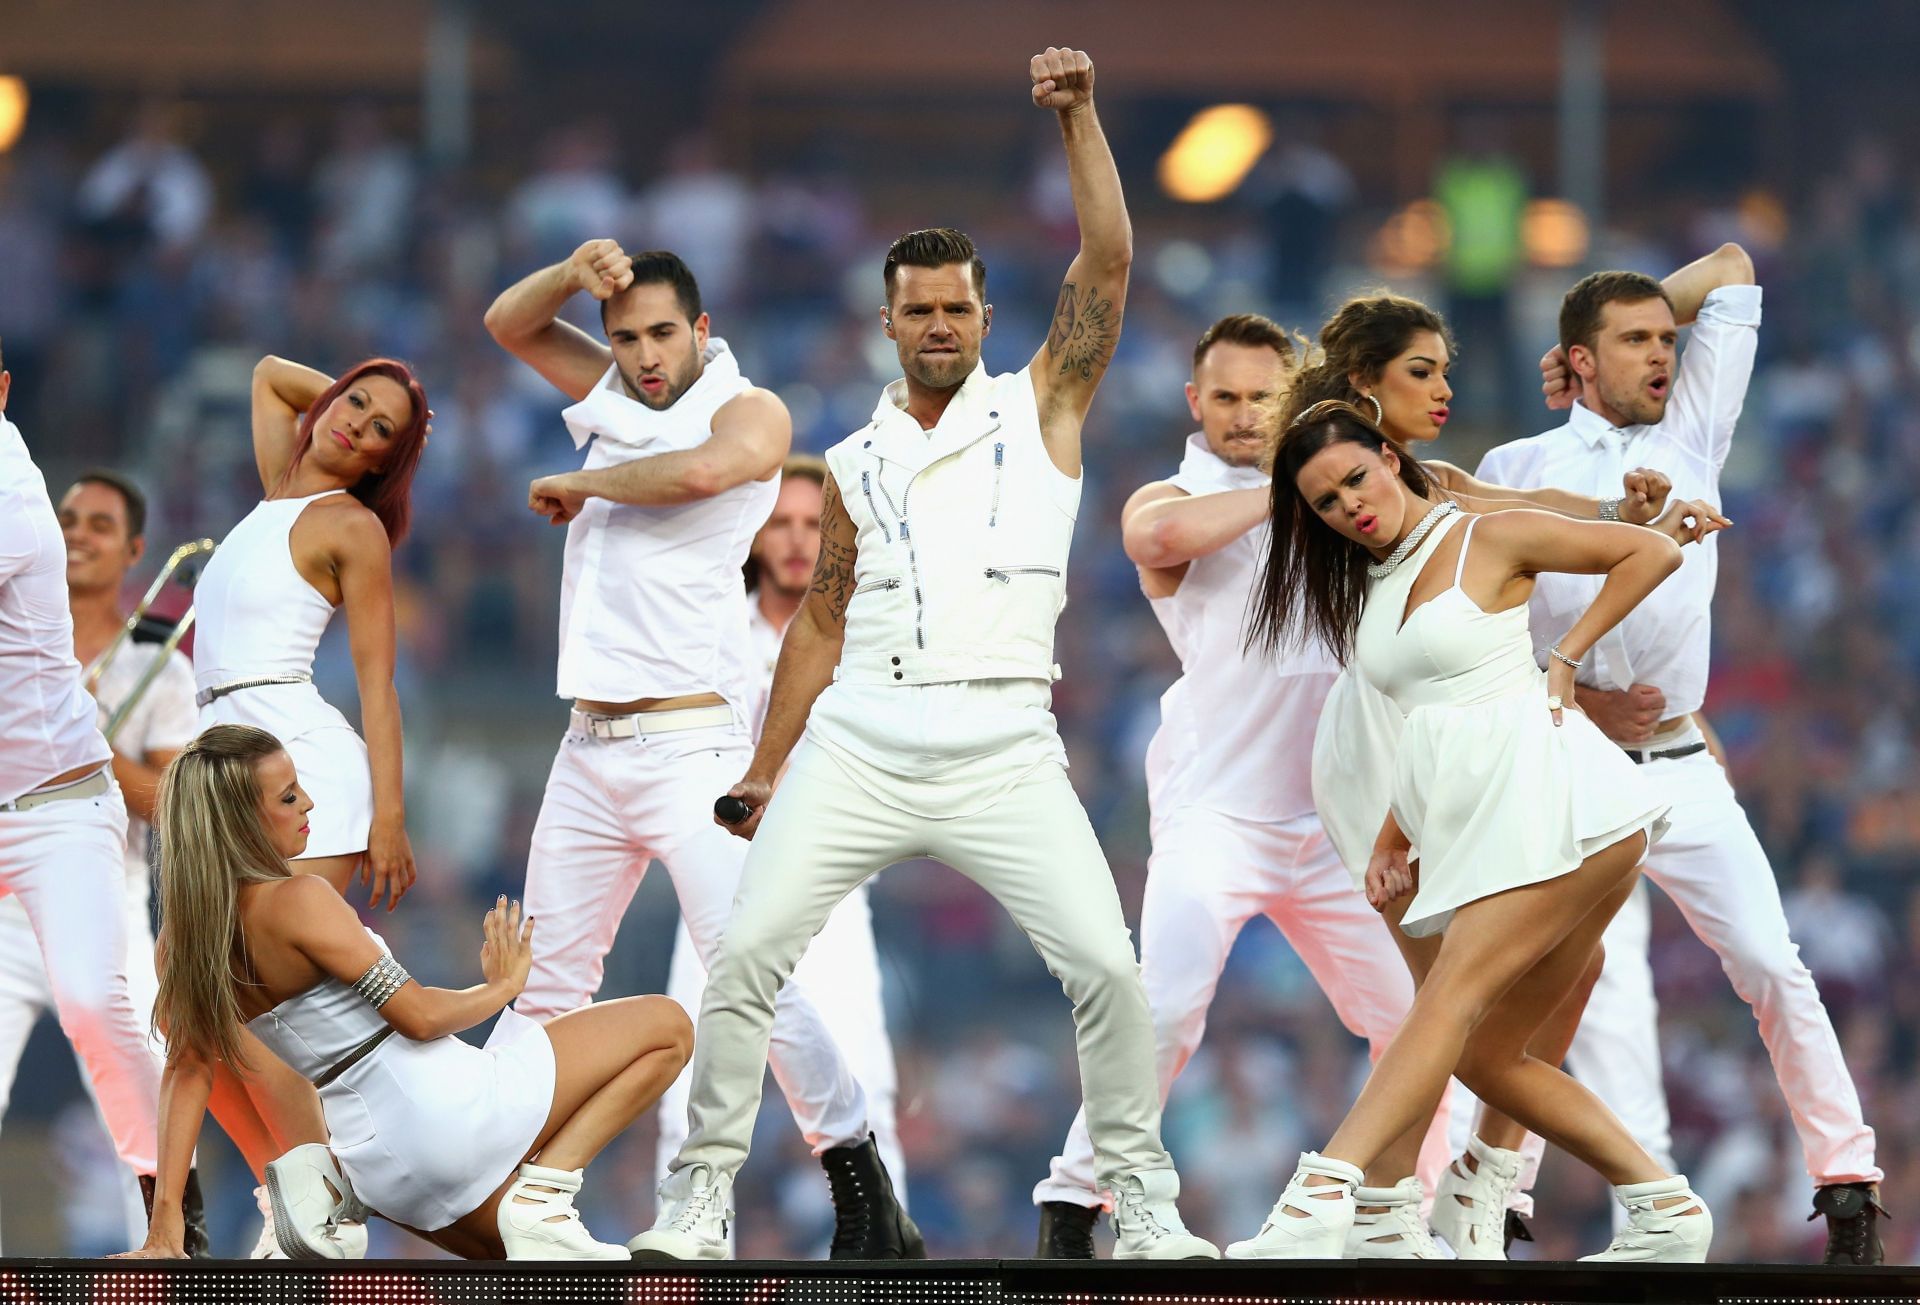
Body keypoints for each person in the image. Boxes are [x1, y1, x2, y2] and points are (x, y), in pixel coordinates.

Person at [629, 47, 1218, 1264]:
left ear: (986, 319)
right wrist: (764, 769)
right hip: (862, 740)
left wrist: (1082, 119)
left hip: (1006, 739)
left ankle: (1140, 1199)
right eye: (918, 309)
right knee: (740, 960)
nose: (939, 325)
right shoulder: (849, 466)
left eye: (958, 307)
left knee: (1111, 971)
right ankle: (699, 1200)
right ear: (887, 320)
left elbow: (1106, 264)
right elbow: (822, 625)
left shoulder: (1044, 403)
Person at [1231, 399, 1719, 1261]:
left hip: (1565, 803)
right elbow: (1430, 718)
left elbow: (1651, 549)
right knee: (1488, 1055)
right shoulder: (1375, 581)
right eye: (1327, 503)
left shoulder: (1481, 535)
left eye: (1355, 478)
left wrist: (1567, 656)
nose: (1351, 505)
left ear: (1389, 456)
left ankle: (1323, 1191)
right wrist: (1391, 829)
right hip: (1483, 813)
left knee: (1450, 994)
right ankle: (1665, 1209)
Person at [1477, 248, 1887, 1264]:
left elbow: (1739, 266)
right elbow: (1476, 647)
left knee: (1768, 962)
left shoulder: (1696, 426)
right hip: (1567, 756)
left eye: (1668, 336)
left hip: (1678, 763)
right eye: (1636, 341)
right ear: (1579, 360)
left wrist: (1641, 311)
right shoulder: (1512, 470)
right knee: (1540, 988)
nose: (1664, 352)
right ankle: (1499, 1193)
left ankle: (1847, 1183)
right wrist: (1570, 696)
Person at [483, 242, 886, 1246]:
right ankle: (505, 1190)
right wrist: (575, 274)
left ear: (701, 330)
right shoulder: (614, 393)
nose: (645, 354)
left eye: (663, 332)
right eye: (625, 337)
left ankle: (858, 1175)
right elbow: (508, 325)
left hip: (688, 743)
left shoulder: (751, 409)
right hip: (587, 743)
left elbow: (712, 469)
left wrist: (590, 485)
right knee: (544, 985)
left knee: (747, 977)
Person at [1028, 315, 1449, 1260]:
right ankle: (1077, 1197)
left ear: (1292, 397)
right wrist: (1298, 478)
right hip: (1216, 808)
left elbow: (1464, 506)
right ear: (1195, 403)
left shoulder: (1347, 492)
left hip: (1342, 819)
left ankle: (1402, 1216)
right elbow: (1157, 537)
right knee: (1167, 1007)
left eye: (1265, 397)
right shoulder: (1183, 493)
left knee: (1418, 1019)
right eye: (1225, 397)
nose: (1245, 414)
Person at [117, 724, 692, 1260]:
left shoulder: (180, 946)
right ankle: (545, 1191)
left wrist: (166, 1225)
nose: (309, 805)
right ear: (243, 819)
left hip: (381, 1169)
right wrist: (502, 987)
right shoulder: (300, 900)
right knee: (667, 1027)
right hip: (443, 1107)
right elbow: (417, 1016)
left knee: (518, 1256)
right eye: (289, 797)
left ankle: (336, 1185)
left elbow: (187, 1071)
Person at [189, 352, 431, 1256]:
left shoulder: (349, 524)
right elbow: (263, 374)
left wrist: (391, 816)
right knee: (193, 1011)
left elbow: (379, 685)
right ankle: (292, 1192)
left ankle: (327, 1191)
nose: (355, 426)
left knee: (254, 1005)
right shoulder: (275, 492)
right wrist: (391, 399)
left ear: (382, 465)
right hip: (224, 769)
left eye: (380, 435)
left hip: (303, 771)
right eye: (352, 405)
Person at [656, 455, 905, 1211]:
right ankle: (685, 1271)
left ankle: (888, 1269)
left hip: (830, 889)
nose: (799, 541)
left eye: (815, 526)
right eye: (782, 524)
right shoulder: (706, 635)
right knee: (686, 1092)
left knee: (865, 1085)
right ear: (754, 537)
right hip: (718, 887)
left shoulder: (874, 636)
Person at [0, 471, 204, 1255]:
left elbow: (177, 806)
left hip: (103, 898)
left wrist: (91, 748)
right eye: (66, 518)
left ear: (136, 551)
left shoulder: (160, 667)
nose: (78, 533)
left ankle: (163, 1261)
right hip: (7, 897)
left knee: (143, 1091)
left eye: (97, 523)